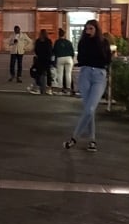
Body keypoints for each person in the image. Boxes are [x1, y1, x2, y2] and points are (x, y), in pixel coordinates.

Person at [65, 20, 111, 153]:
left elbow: (107, 59)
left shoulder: (103, 43)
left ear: (96, 29)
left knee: (90, 109)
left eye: (91, 29)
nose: (88, 31)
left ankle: (74, 138)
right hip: (85, 74)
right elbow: (81, 59)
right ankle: (92, 140)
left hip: (99, 75)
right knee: (88, 109)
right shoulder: (83, 42)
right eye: (86, 29)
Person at [53, 28, 76, 95]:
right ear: (64, 34)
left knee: (60, 74)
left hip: (60, 58)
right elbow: (72, 52)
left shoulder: (57, 42)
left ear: (58, 34)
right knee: (68, 74)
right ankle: (68, 89)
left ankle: (60, 89)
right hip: (69, 58)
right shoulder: (68, 42)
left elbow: (54, 51)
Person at [31, 29, 54, 95]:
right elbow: (50, 51)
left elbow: (36, 50)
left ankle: (38, 88)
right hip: (47, 59)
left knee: (38, 74)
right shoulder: (49, 41)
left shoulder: (38, 41)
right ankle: (49, 89)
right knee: (48, 73)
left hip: (40, 59)